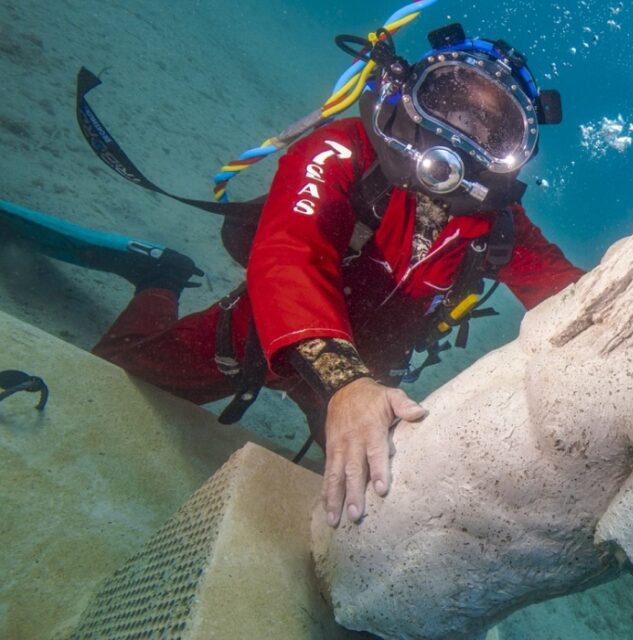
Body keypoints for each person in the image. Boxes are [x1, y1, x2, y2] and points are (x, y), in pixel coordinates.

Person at [2, 25, 583, 527]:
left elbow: (577, 299)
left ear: (514, 154)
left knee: (382, 503)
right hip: (260, 343)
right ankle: (162, 276)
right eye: (448, 104)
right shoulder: (341, 151)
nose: (459, 137)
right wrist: (344, 382)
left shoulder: (501, 225)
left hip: (367, 387)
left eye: (491, 132)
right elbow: (289, 256)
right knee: (109, 379)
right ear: (410, 94)